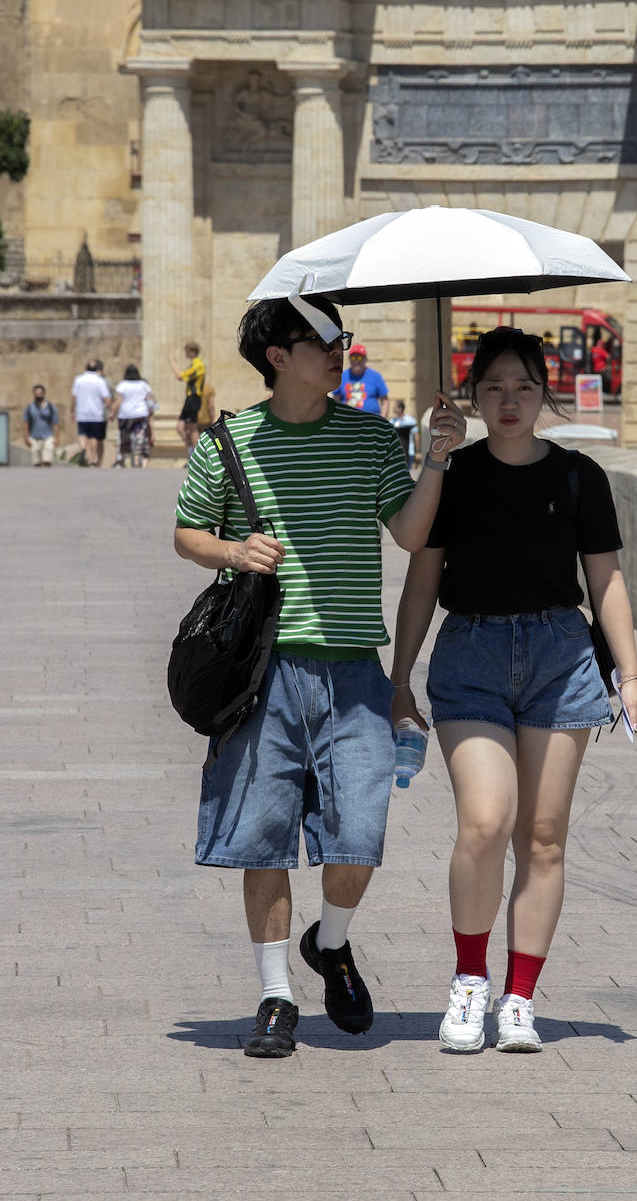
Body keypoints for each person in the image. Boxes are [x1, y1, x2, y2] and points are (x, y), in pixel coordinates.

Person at [173, 293, 466, 1059]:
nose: (341, 350)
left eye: (343, 338)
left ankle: (329, 942)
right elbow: (187, 532)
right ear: (278, 355)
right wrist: (232, 552)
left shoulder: (370, 438)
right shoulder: (227, 441)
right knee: (263, 839)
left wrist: (435, 458)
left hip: (353, 674)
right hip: (261, 674)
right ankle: (276, 996)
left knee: (359, 838)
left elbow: (409, 533)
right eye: (324, 339)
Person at [390, 326, 637, 1054]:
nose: (508, 401)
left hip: (559, 657)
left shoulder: (577, 476)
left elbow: (606, 581)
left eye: (524, 387)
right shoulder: (455, 472)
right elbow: (421, 576)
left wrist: (628, 675)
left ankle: (519, 998)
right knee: (485, 822)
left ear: (544, 396)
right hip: (469, 653)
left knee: (542, 838)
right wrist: (400, 679)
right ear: (471, 397)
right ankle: (469, 983)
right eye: (494, 387)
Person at [110, 364, 155, 468]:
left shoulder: (123, 385)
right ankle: (137, 459)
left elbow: (119, 401)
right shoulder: (143, 384)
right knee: (140, 437)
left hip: (125, 415)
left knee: (124, 437)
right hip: (140, 414)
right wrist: (151, 410)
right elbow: (149, 400)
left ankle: (123, 459)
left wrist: (113, 413)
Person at [70, 360, 111, 467]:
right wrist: (110, 409)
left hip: (82, 412)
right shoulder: (100, 380)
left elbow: (74, 397)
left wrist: (72, 410)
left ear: (85, 368)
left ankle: (84, 450)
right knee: (94, 437)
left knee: (82, 434)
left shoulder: (78, 379)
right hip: (96, 413)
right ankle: (92, 460)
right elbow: (106, 398)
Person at [169, 342, 206, 458]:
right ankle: (191, 452)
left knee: (193, 428)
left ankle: (199, 456)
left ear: (193, 352)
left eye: (187, 351)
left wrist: (172, 361)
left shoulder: (198, 365)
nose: (185, 354)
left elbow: (180, 376)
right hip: (189, 398)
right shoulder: (193, 365)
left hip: (194, 398)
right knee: (180, 427)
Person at [332, 342, 389, 417]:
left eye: (359, 357)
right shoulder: (342, 376)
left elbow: (385, 402)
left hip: (371, 422)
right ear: (349, 359)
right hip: (348, 422)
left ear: (365, 359)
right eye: (353, 357)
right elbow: (336, 400)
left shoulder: (375, 376)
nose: (356, 361)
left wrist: (382, 421)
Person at [22, 384, 60, 467]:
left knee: (47, 461)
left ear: (43, 394)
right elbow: (26, 423)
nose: (38, 395)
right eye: (36, 393)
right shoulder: (30, 407)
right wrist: (26, 438)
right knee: (36, 463)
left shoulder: (50, 407)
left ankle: (48, 477)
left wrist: (56, 438)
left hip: (48, 437)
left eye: (40, 393)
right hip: (34, 437)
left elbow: (55, 423)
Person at [390, 398, 418, 467]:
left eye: (394, 407)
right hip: (396, 452)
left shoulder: (410, 421)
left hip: (409, 451)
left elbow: (416, 436)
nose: (393, 409)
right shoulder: (392, 421)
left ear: (400, 408)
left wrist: (418, 452)